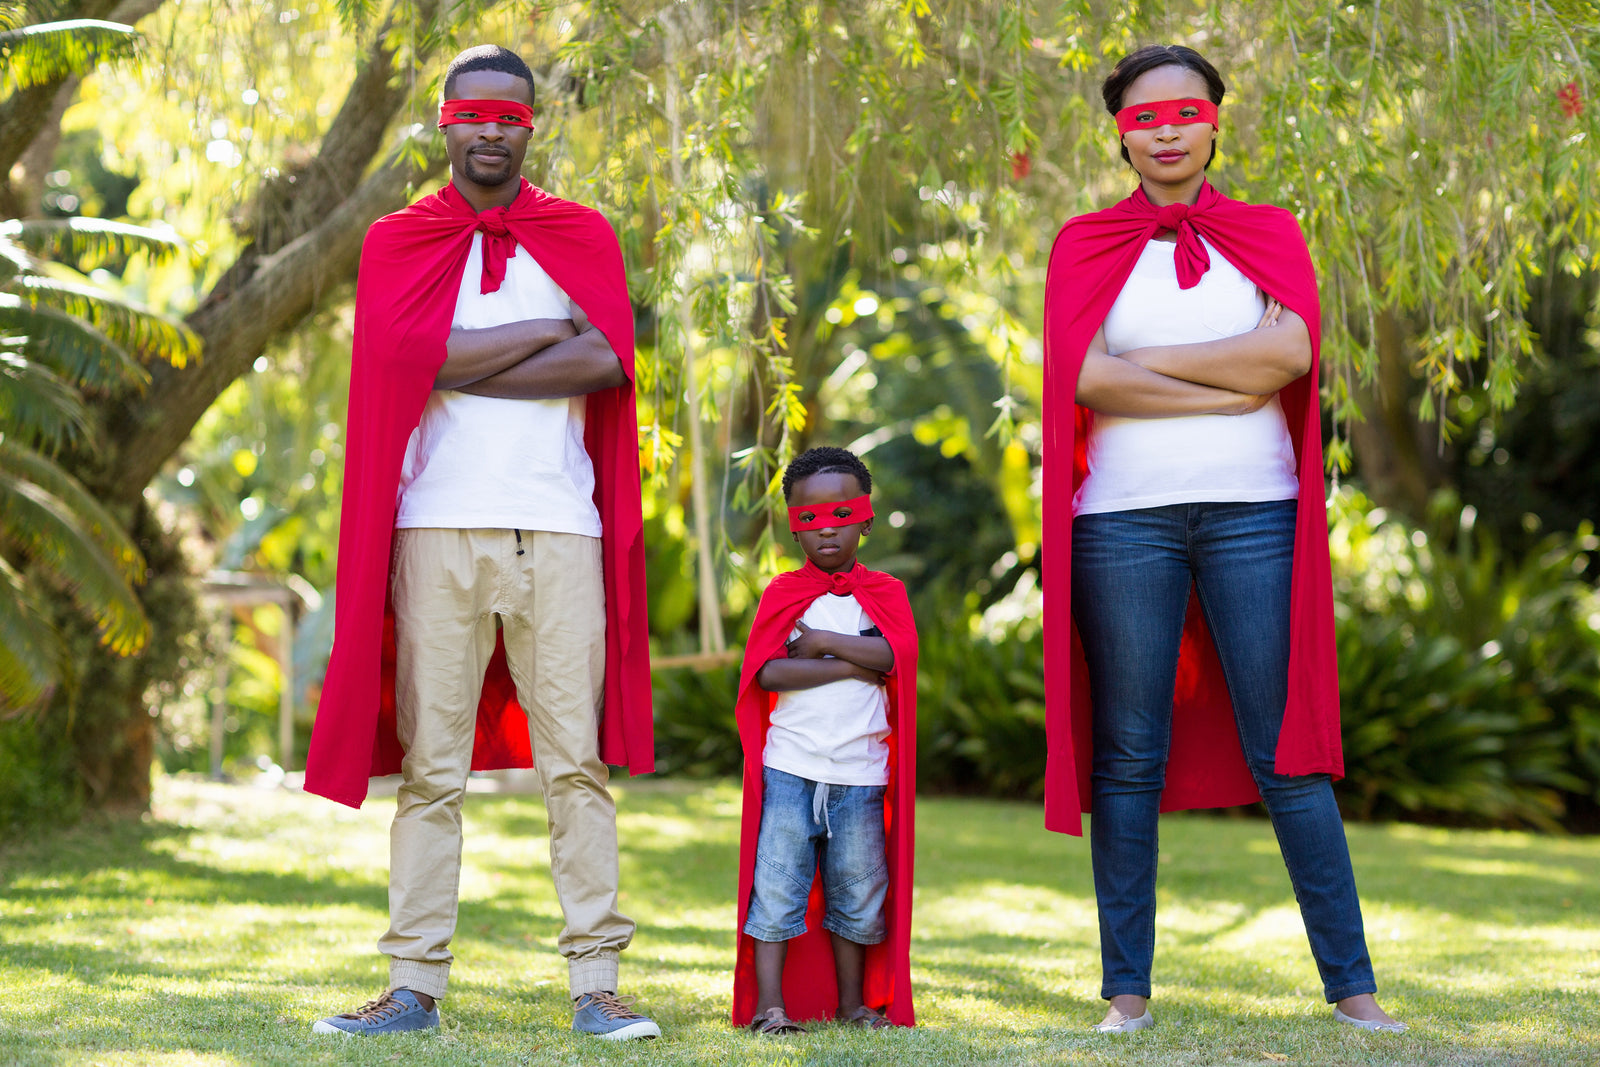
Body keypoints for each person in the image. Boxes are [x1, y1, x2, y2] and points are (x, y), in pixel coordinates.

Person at [1038, 45, 1406, 1035]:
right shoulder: (1081, 244)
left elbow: (1291, 352)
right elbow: (1083, 380)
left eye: (1184, 112)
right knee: (1127, 756)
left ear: (1213, 123)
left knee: (1287, 755)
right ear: (1119, 131)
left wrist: (1145, 363)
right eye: (1144, 115)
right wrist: (1228, 379)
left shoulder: (1268, 233)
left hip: (1255, 510)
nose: (1165, 129)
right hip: (1121, 519)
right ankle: (1126, 994)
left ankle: (1353, 989)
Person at [302, 44, 658, 1040]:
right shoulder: (398, 241)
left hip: (560, 523)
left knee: (574, 763)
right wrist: (538, 339)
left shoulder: (579, 235)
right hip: (435, 524)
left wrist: (453, 364)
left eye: (509, 115)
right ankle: (412, 985)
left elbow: (607, 360)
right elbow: (399, 356)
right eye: (474, 114)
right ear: (446, 124)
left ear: (528, 127)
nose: (490, 129)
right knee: (431, 767)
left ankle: (596, 985)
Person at [730, 447, 919, 1033]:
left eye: (841, 514)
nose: (827, 529)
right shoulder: (784, 594)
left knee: (857, 892)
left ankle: (853, 1004)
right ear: (792, 526)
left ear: (865, 518)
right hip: (791, 766)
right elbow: (770, 672)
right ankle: (771, 1008)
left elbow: (898, 655)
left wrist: (821, 645)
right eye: (810, 519)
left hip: (861, 773)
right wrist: (853, 662)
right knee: (778, 885)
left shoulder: (884, 592)